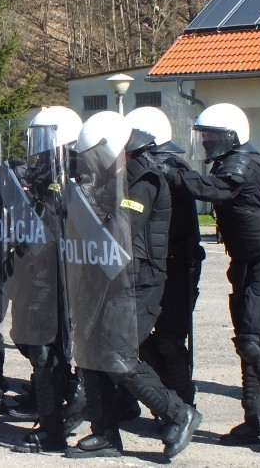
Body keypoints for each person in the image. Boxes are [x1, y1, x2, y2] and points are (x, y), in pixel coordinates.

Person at [161, 103, 260, 454]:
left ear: (230, 136)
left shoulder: (242, 163)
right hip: (245, 265)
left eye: (210, 136)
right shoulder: (230, 162)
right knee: (246, 343)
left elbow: (216, 190)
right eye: (202, 136)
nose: (205, 142)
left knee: (256, 342)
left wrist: (173, 171)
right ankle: (256, 423)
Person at [64, 111, 201, 460]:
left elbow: (122, 229)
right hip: (104, 278)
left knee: (116, 354)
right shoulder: (110, 174)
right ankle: (105, 433)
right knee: (90, 354)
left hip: (138, 283)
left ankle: (179, 412)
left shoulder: (144, 178)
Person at [0, 106, 84, 453]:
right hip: (38, 272)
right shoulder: (48, 171)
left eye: (45, 138)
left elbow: (55, 222)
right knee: (39, 349)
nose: (38, 147)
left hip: (61, 278)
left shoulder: (77, 173)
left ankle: (53, 428)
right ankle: (65, 404)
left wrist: (33, 194)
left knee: (47, 352)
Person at [126, 107, 203, 409]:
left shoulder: (170, 170)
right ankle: (156, 400)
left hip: (177, 266)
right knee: (141, 340)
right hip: (152, 266)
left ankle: (182, 404)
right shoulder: (144, 169)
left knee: (169, 340)